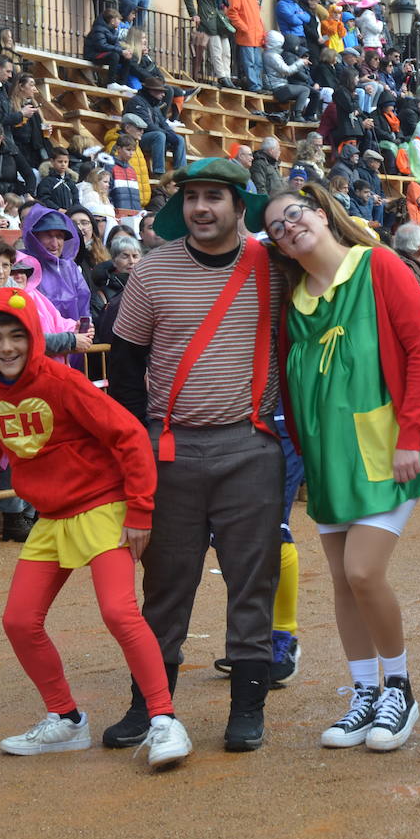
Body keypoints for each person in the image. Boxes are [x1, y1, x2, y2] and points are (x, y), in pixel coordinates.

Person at [0, 287, 190, 768]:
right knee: (19, 621)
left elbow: (128, 437)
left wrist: (140, 511)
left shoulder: (63, 382)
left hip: (103, 508)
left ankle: (163, 719)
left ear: (34, 336)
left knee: (119, 613)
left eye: (16, 336)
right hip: (51, 518)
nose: (6, 347)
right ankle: (65, 719)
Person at [260, 182, 420, 752]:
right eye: (277, 227)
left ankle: (399, 688)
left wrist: (413, 433)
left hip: (388, 446)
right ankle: (363, 691)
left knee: (364, 572)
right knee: (344, 581)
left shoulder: (378, 265)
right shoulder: (292, 294)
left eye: (295, 215)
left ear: (320, 214)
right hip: (327, 457)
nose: (289, 227)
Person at [106, 157, 286, 754]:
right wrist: (138, 451)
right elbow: (126, 368)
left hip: (250, 445)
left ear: (241, 207)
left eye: (215, 196)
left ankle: (248, 707)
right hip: (169, 448)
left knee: (251, 582)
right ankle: (149, 706)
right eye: (192, 197)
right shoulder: (151, 272)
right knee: (165, 585)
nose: (201, 208)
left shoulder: (275, 270)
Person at [227, 0, 265, 91]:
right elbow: (232, 13)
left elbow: (258, 18)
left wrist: (262, 33)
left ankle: (258, 85)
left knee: (258, 63)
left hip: (256, 36)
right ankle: (254, 86)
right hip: (246, 36)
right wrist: (243, 27)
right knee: (249, 63)